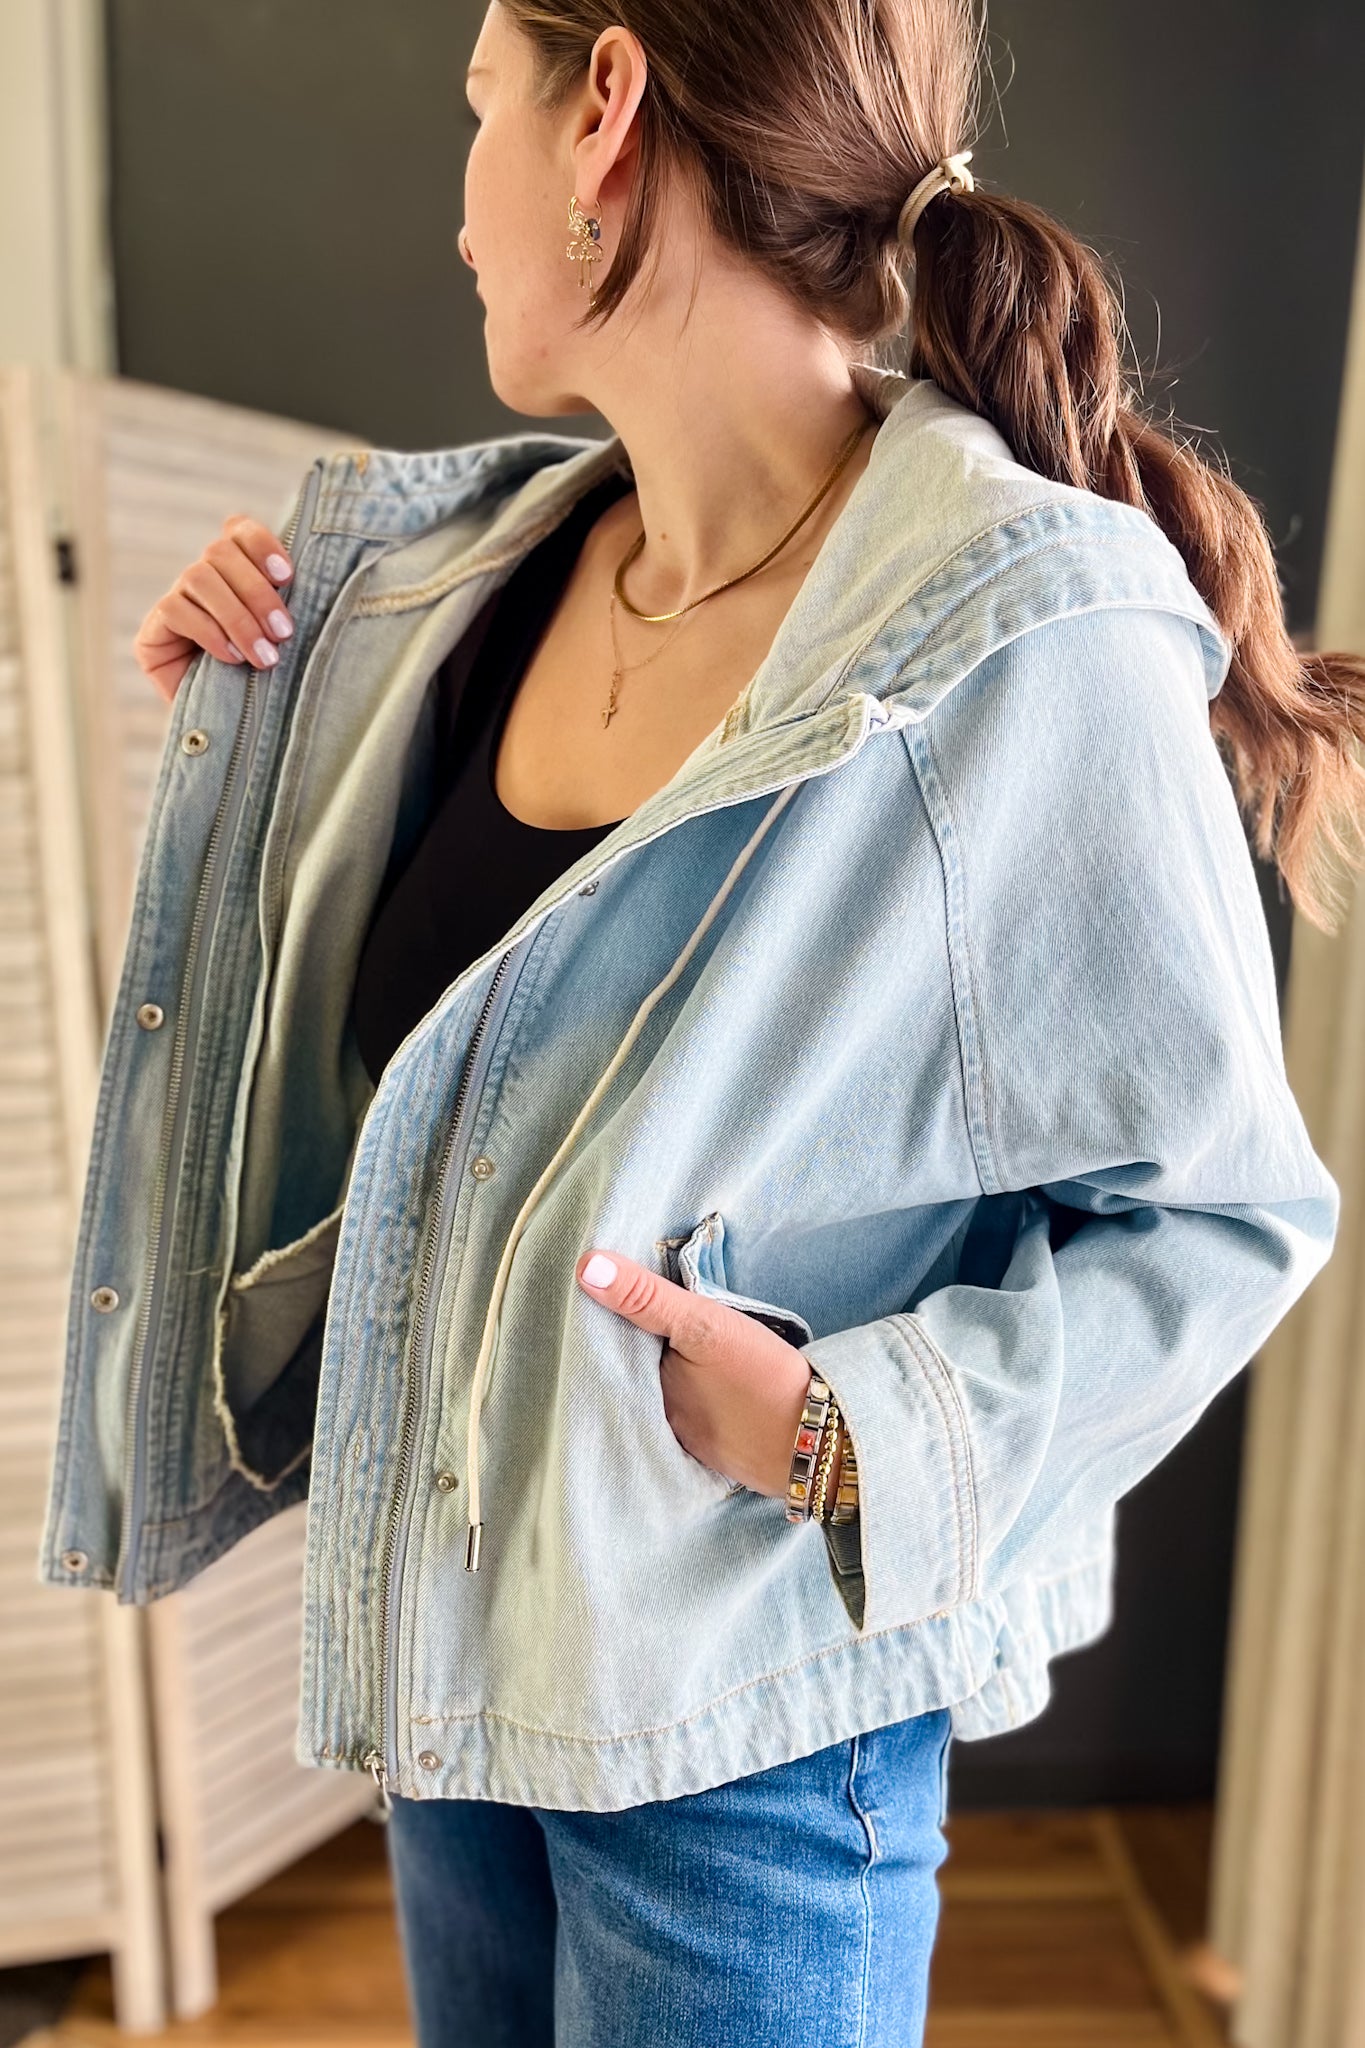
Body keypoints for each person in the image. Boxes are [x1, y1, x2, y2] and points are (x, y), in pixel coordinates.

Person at [42, 2, 1364, 2043]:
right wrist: (264, 716)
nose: (458, 202)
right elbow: (445, 1099)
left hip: (748, 1746)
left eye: (473, 107)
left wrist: (856, 1431)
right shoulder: (480, 583)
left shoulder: (1019, 632)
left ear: (603, 112)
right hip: (458, 1678)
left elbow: (1227, 1212)